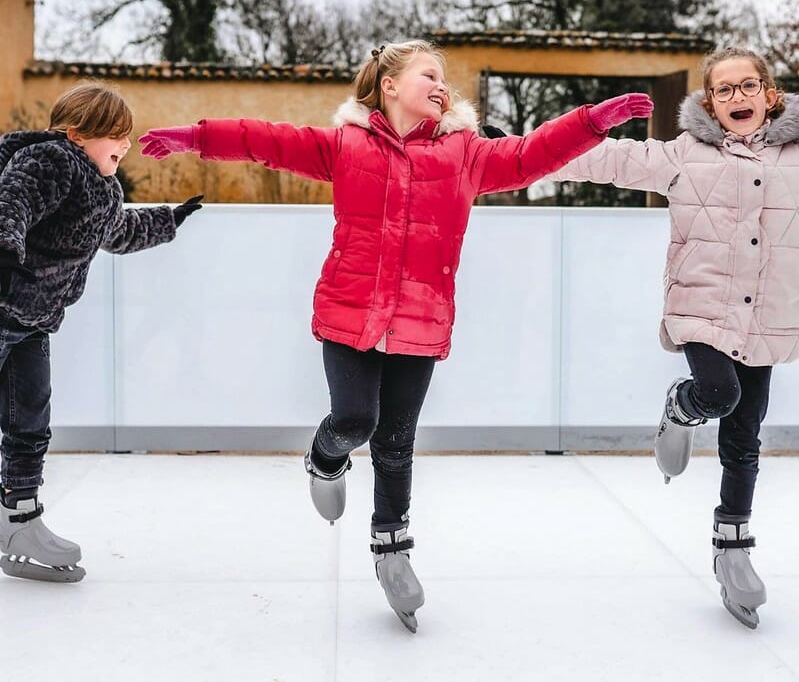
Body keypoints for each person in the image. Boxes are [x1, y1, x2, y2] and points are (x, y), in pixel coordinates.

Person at [139, 39, 653, 632]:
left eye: (444, 77)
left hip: (420, 319)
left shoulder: (466, 154)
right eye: (427, 74)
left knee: (396, 442)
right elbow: (266, 140)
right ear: (388, 85)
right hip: (349, 312)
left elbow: (532, 155)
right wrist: (197, 137)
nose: (441, 84)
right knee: (354, 422)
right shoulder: (345, 145)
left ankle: (392, 550)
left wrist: (590, 121)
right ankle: (324, 457)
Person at [520, 47, 794, 629]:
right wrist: (520, 151)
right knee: (720, 396)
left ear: (770, 95)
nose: (738, 98)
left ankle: (732, 546)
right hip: (702, 305)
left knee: (745, 436)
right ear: (709, 103)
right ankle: (682, 404)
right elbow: (610, 160)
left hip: (767, 313)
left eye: (749, 86)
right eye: (725, 90)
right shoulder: (684, 153)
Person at [0, 82, 202, 583]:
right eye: (115, 134)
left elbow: (121, 234)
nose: (127, 144)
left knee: (29, 423)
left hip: (32, 323)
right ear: (77, 134)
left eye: (127, 136)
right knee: (26, 421)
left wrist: (170, 220)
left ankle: (18, 521)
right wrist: (6, 243)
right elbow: (13, 201)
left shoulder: (105, 190)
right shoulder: (52, 161)